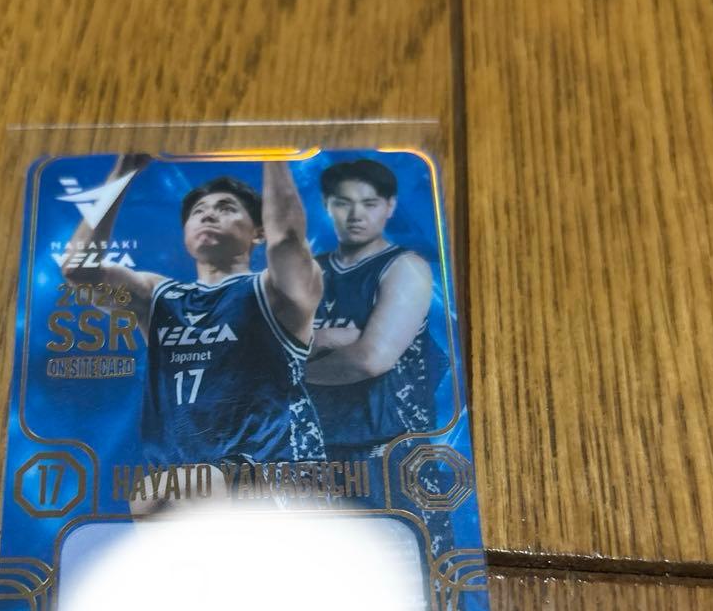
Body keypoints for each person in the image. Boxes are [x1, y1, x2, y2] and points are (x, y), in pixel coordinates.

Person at [59, 155, 325, 472]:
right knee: (158, 493)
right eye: (198, 212)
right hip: (182, 476)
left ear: (258, 232)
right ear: (185, 234)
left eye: (226, 208)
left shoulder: (274, 290)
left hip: (274, 470)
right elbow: (78, 270)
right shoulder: (158, 295)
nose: (208, 214)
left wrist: (275, 155)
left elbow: (287, 240)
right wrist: (122, 171)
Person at [306, 158, 447, 463]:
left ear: (389, 206)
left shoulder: (405, 268)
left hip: (389, 449)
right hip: (316, 444)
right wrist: (329, 337)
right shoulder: (309, 271)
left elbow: (369, 360)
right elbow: (266, 348)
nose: (356, 215)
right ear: (327, 205)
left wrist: (289, 376)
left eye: (369, 204)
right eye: (343, 203)